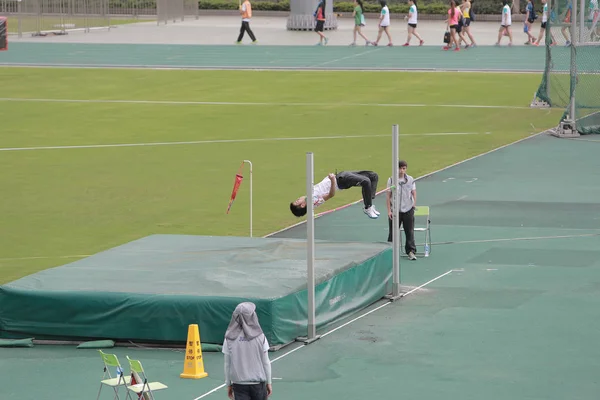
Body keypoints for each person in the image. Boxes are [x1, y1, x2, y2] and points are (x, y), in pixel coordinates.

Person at [223, 302, 273, 400]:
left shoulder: (229, 338)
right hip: (258, 384)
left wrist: (228, 383)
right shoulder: (261, 337)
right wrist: (269, 382)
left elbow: (227, 364)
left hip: (239, 385)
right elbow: (266, 362)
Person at [290, 170, 380, 219]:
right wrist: (333, 180)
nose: (298, 198)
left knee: (373, 176)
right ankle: (368, 207)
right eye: (297, 201)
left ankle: (370, 203)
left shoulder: (309, 196)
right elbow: (331, 194)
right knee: (366, 181)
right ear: (302, 205)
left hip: (341, 175)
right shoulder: (313, 201)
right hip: (341, 180)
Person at [386, 160, 417, 260]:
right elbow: (388, 196)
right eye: (400, 168)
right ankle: (389, 252)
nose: (402, 170)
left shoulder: (410, 179)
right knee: (393, 232)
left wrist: (414, 204)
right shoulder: (391, 180)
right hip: (395, 210)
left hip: (408, 209)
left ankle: (411, 251)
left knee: (409, 232)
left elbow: (413, 192)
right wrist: (389, 211)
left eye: (404, 168)